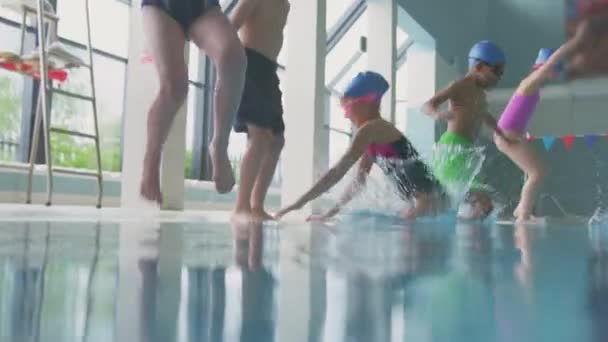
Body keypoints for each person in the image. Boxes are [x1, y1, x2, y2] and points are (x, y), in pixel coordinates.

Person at [275, 71, 446, 221]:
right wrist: (330, 213)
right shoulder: (373, 134)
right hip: (430, 200)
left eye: (348, 106)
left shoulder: (372, 129)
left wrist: (298, 203)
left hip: (428, 200)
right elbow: (358, 181)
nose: (346, 115)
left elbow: (337, 172)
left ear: (368, 102)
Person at [139, 0, 247, 203]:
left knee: (234, 57)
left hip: (202, 6)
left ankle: (219, 144)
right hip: (160, 5)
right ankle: (150, 164)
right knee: (175, 87)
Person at [494, 22, 591, 222]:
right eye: (554, 70)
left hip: (510, 134)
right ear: (544, 67)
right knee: (537, 173)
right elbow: (554, 60)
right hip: (508, 135)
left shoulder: (533, 85)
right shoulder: (532, 80)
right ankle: (523, 213)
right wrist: (577, 41)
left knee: (539, 171)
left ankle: (522, 208)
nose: (555, 75)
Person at [423, 40, 513, 220]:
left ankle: (463, 233)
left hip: (466, 152)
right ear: (479, 66)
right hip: (452, 149)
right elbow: (428, 105)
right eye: (496, 71)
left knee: (482, 205)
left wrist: (503, 133)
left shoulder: (480, 94)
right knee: (468, 202)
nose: (498, 77)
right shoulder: (459, 86)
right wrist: (438, 115)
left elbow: (484, 115)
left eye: (501, 72)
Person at [229, 0, 290, 221]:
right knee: (259, 137)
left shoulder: (285, 5)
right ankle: (241, 206)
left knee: (277, 140)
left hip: (268, 71)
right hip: (250, 65)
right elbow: (229, 28)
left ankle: (256, 205)